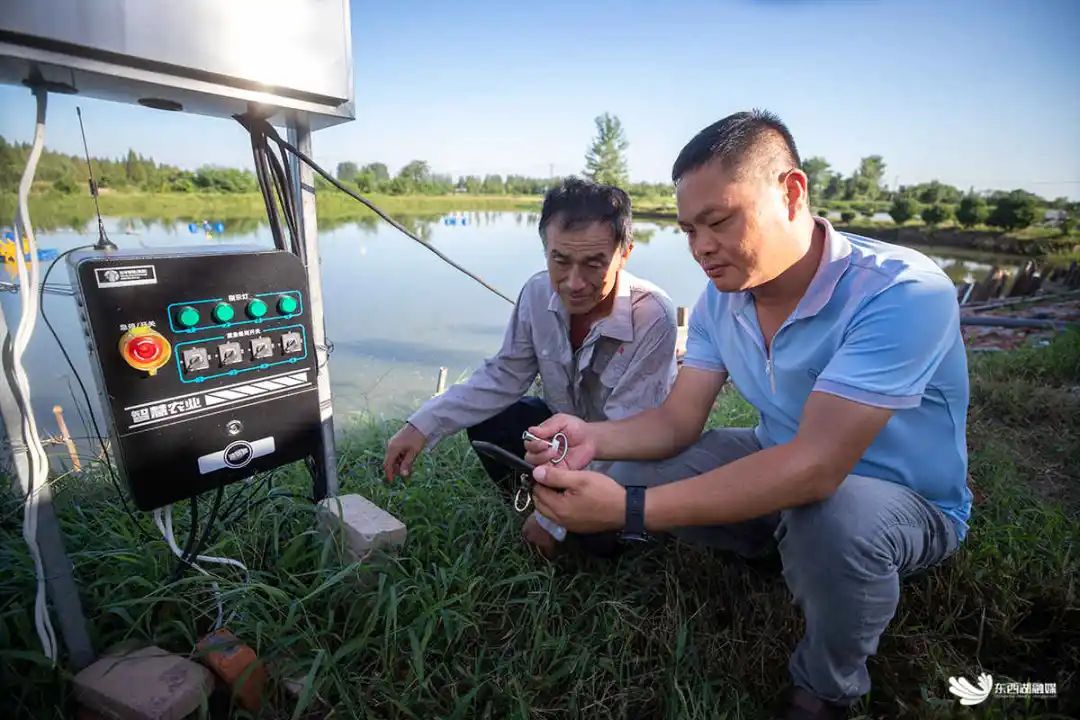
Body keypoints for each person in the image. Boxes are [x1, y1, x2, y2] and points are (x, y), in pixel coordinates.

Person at [523, 111, 972, 719]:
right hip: (777, 459)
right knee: (628, 468)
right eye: (688, 230)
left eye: (719, 221)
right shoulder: (720, 299)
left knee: (835, 516)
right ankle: (779, 544)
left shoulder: (902, 291)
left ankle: (825, 689)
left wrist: (631, 512)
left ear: (791, 193)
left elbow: (817, 467)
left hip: (900, 500)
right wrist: (591, 436)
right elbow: (676, 422)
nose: (701, 247)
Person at [383, 177, 678, 553]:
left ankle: (560, 514)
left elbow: (627, 434)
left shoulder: (653, 316)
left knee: (605, 535)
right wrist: (421, 425)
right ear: (546, 250)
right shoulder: (537, 293)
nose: (574, 283)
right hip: (563, 441)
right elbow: (504, 375)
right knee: (494, 420)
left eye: (594, 264)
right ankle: (540, 497)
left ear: (625, 254)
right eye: (560, 261)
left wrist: (551, 520)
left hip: (626, 454)